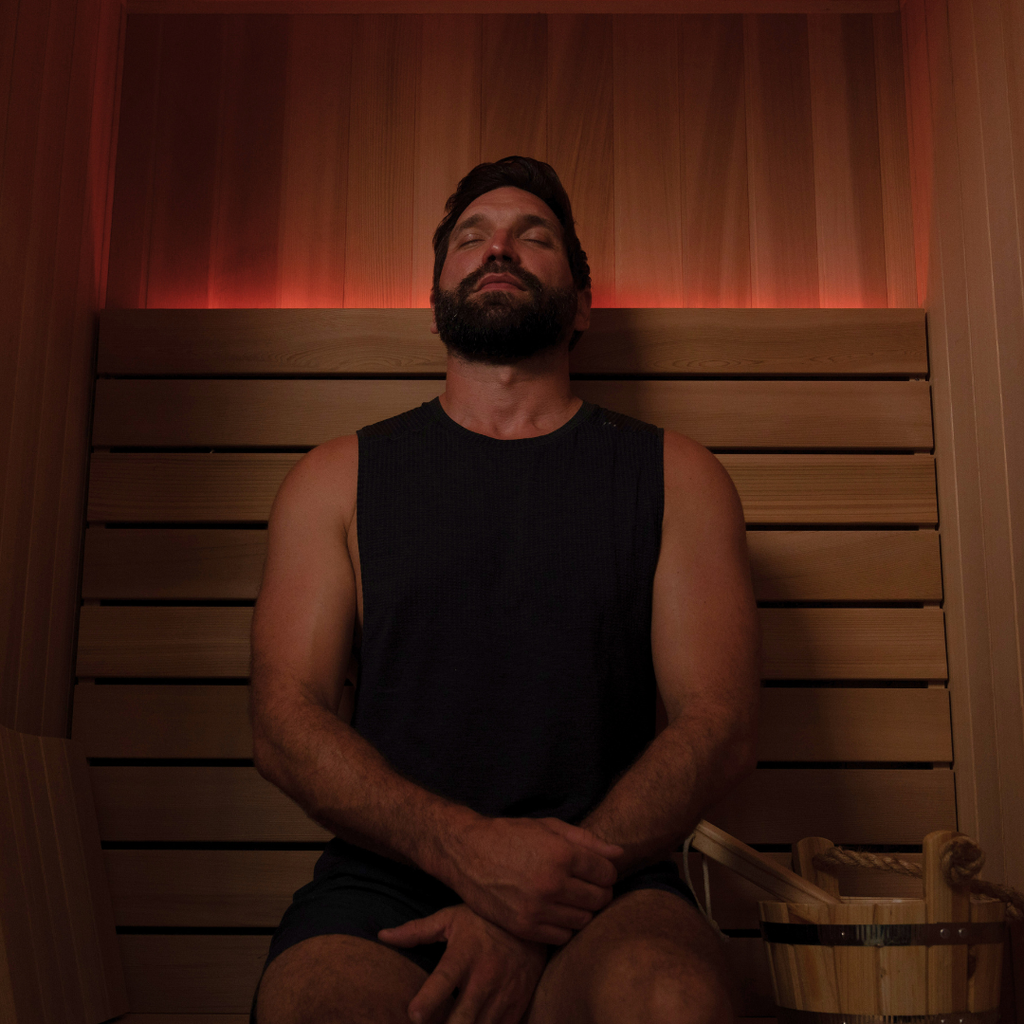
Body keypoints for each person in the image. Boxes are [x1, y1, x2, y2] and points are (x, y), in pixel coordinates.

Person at [248, 156, 760, 1024]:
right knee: (312, 1009)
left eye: (535, 237)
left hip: (609, 879)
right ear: (438, 294)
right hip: (389, 883)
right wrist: (466, 850)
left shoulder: (678, 477)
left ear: (584, 303)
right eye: (472, 238)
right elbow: (283, 720)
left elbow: (721, 723)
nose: (500, 249)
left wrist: (536, 898)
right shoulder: (334, 480)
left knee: (673, 1001)